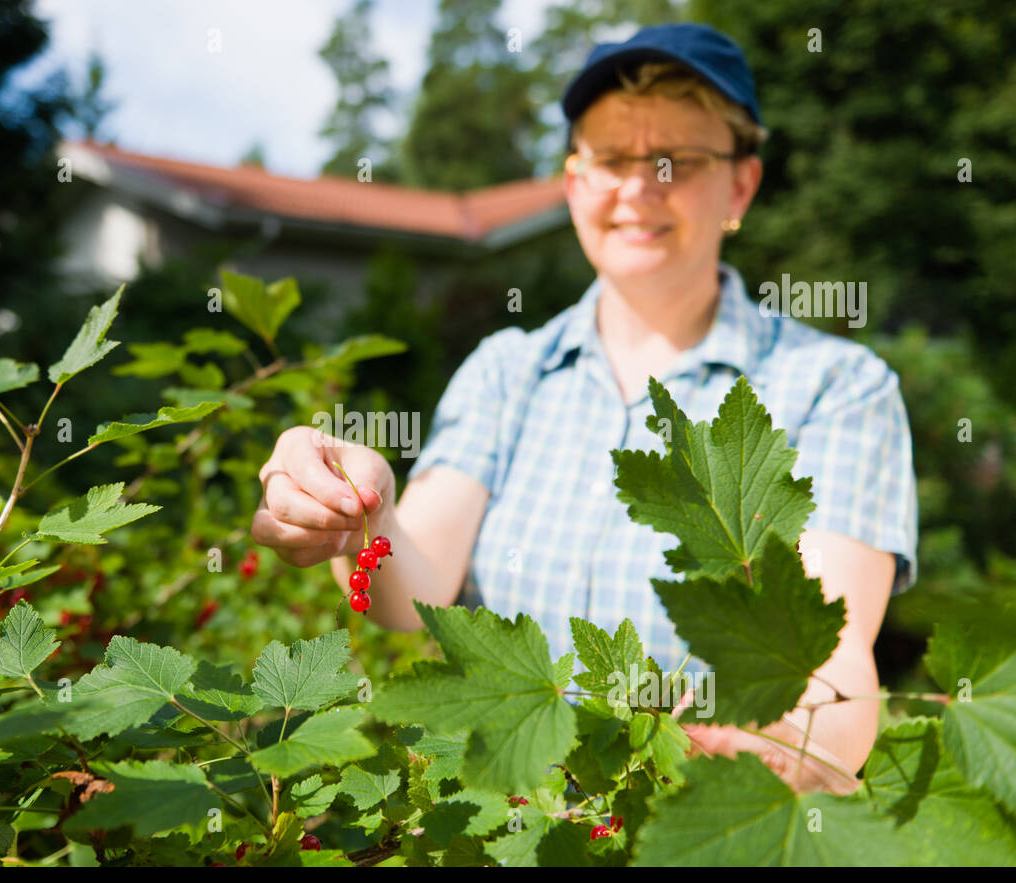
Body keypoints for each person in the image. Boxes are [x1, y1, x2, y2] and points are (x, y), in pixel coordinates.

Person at [252, 23, 917, 794]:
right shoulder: (510, 371)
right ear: (574, 182)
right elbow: (414, 592)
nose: (638, 187)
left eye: (679, 161)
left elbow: (827, 657)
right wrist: (354, 504)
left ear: (740, 185)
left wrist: (784, 752)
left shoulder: (836, 386)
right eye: (609, 159)